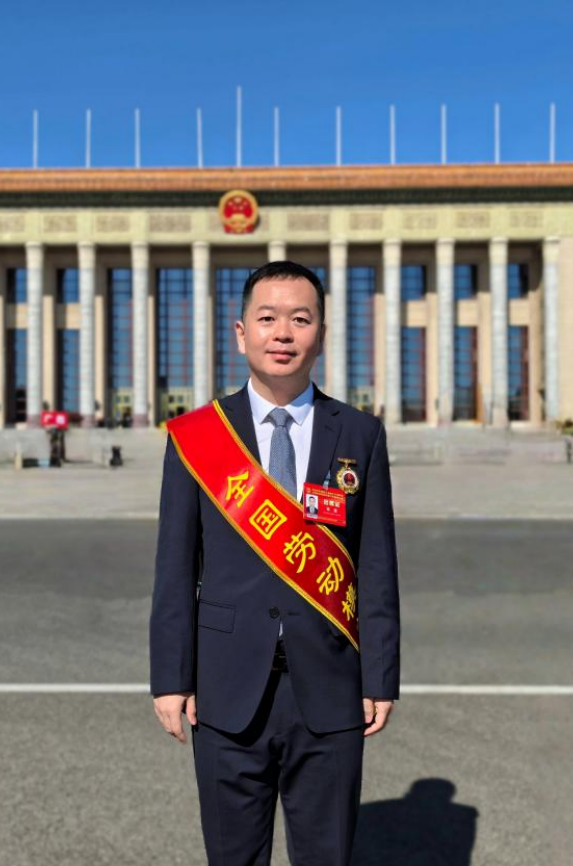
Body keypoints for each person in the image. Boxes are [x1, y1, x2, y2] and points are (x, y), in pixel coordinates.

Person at [149, 260, 400, 866]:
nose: (283, 333)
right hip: (225, 688)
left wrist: (380, 676)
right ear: (242, 334)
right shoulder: (198, 437)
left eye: (300, 319)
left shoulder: (359, 434)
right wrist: (171, 677)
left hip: (331, 685)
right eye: (267, 318)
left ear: (321, 334)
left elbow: (377, 564)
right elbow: (174, 568)